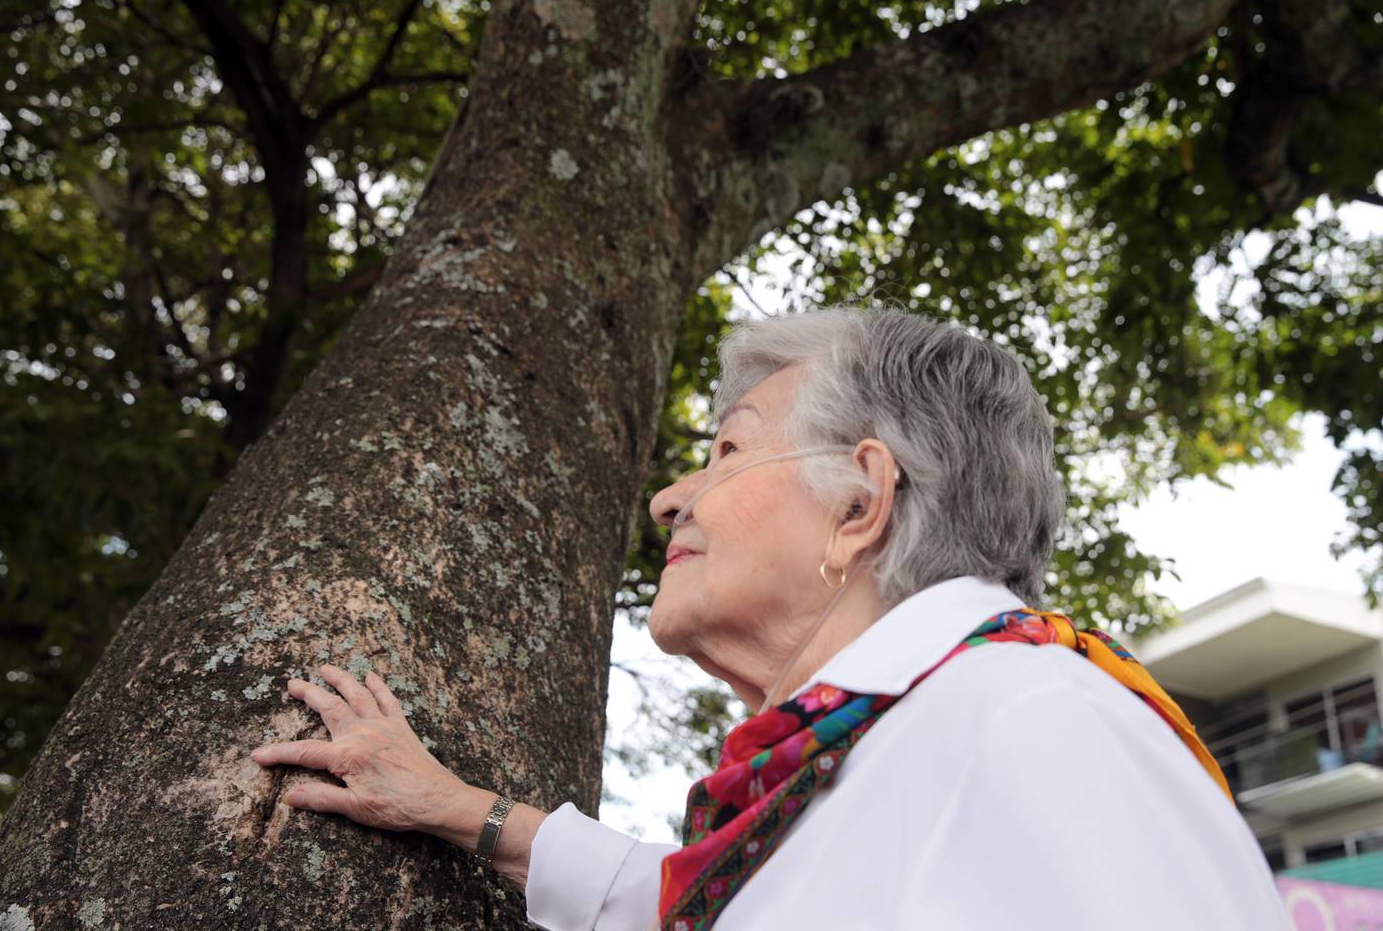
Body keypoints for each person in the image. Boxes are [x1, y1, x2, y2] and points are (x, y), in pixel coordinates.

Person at [249, 303, 1292, 929]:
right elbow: (689, 903)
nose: (668, 499)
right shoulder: (865, 763)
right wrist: (452, 808)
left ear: (857, 504)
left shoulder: (1029, 713)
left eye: (729, 451)